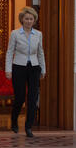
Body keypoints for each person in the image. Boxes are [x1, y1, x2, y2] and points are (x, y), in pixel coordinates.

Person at [5, 7, 46, 138]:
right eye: (26, 18)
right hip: (19, 66)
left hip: (34, 67)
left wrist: (43, 69)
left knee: (33, 98)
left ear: (34, 20)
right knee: (20, 97)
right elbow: (10, 52)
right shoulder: (15, 33)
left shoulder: (38, 34)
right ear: (22, 19)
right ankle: (14, 119)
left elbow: (40, 52)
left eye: (31, 19)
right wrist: (8, 70)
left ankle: (28, 127)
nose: (28, 21)